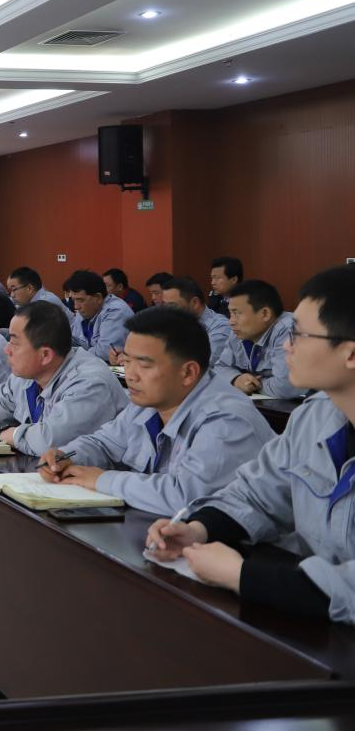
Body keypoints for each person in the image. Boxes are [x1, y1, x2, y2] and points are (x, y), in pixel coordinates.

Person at [146, 266, 355, 625]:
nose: (286, 346)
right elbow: (255, 493)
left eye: (299, 335)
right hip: (312, 623)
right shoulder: (314, 417)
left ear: (350, 353)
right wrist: (197, 530)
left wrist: (241, 575)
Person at [37, 306, 274, 516]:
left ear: (188, 373)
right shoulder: (149, 402)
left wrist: (102, 480)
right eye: (127, 361)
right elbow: (103, 443)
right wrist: (66, 457)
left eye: (144, 364)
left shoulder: (227, 420)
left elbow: (187, 497)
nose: (130, 375)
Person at [0, 301, 126, 455]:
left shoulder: (89, 382)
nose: (6, 349)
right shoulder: (27, 375)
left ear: (45, 355)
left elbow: (49, 441)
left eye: (14, 343)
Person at [213, 279, 303, 400]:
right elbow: (219, 367)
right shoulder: (239, 332)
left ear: (265, 314)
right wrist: (236, 379)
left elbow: (286, 386)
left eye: (236, 313)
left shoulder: (288, 329)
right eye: (230, 313)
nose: (231, 321)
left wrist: (254, 385)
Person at [160, 275, 238, 368]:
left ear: (195, 303)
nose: (167, 311)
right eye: (165, 305)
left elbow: (201, 364)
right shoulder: (174, 325)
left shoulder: (220, 327)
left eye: (172, 306)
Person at [65, 269, 134, 362]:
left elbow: (105, 352)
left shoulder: (116, 311)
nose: (76, 306)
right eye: (74, 300)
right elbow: (74, 340)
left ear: (98, 297)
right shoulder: (85, 309)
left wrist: (72, 354)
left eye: (81, 300)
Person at [8, 266, 72, 317]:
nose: (12, 295)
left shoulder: (46, 303)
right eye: (10, 291)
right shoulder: (31, 300)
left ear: (29, 288)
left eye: (14, 290)